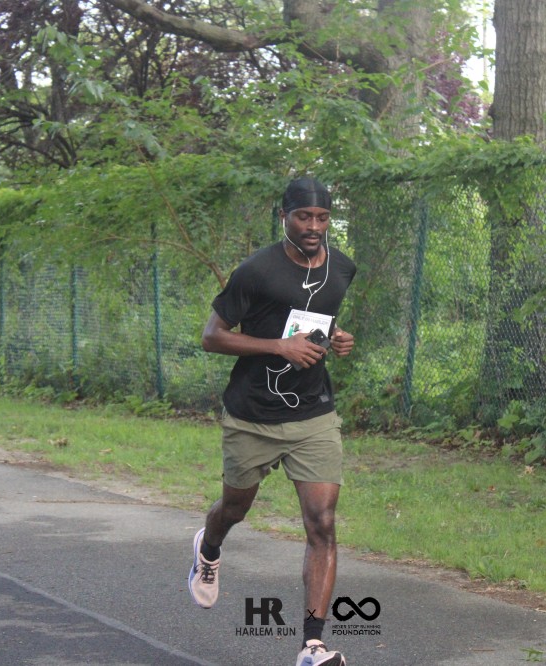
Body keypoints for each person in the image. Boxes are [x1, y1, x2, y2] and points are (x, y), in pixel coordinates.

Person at [188, 176, 356, 666]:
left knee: (322, 522)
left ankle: (312, 645)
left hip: (313, 413)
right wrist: (278, 347)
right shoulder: (256, 271)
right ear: (284, 216)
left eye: (322, 218)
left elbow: (316, 318)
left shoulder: (342, 269)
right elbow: (212, 336)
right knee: (234, 508)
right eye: (304, 217)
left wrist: (338, 338)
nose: (313, 226)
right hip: (253, 415)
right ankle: (209, 547)